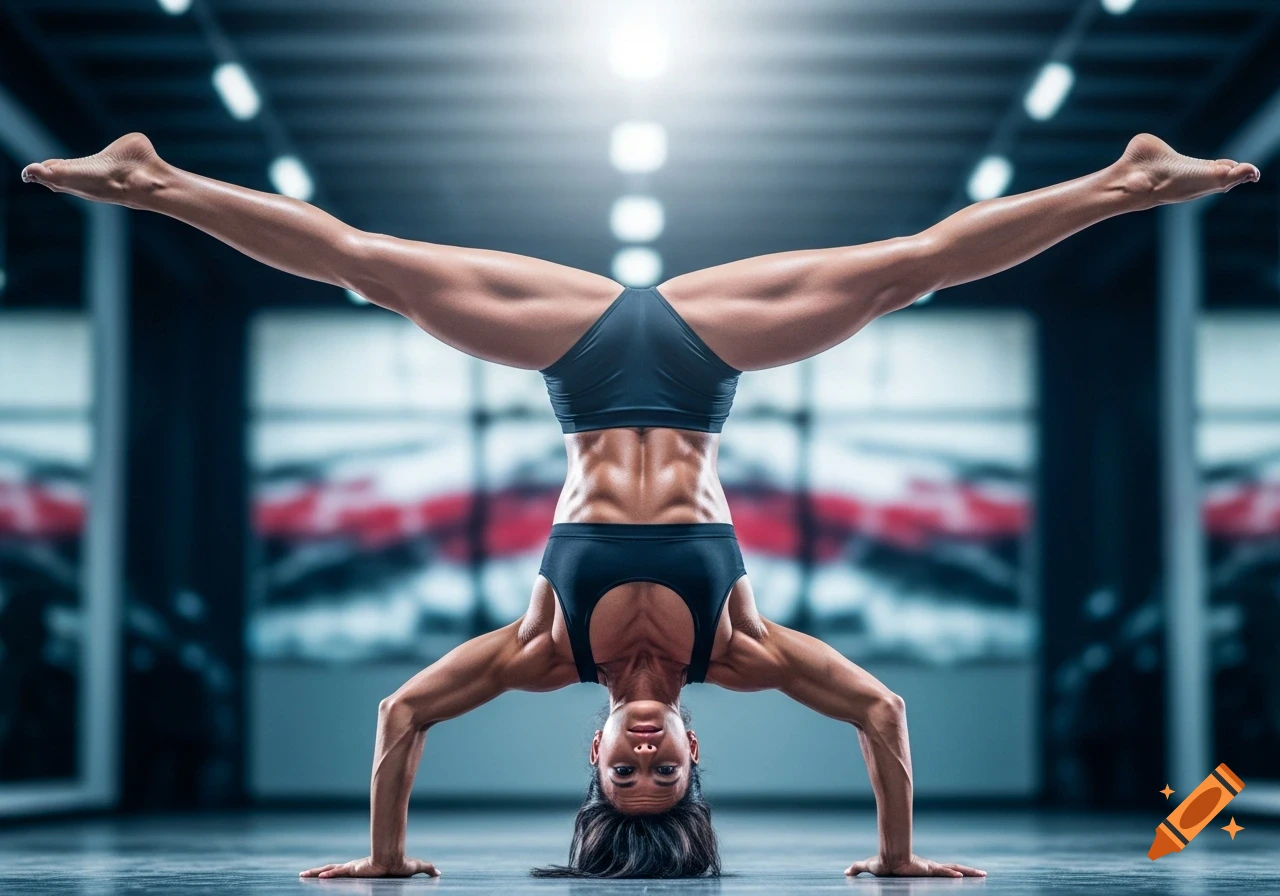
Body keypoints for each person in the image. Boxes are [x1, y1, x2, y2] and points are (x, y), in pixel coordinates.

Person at [22, 133, 1258, 880]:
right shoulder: (745, 648)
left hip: (579, 363)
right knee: (907, 269)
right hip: (700, 362)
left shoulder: (539, 650)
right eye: (668, 778)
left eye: (630, 776)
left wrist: (389, 857)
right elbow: (880, 711)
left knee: (365, 263)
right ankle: (1122, 180)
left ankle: (155, 179)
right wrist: (891, 857)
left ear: (596, 753)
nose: (651, 758)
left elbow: (402, 714)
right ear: (696, 754)